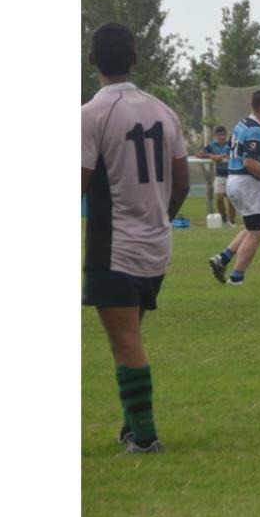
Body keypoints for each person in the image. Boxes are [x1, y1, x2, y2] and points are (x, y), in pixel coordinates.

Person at [82, 23, 189, 454]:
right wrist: (162, 218)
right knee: (128, 334)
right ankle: (131, 426)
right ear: (135, 59)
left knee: (124, 338)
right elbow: (181, 181)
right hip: (156, 243)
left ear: (91, 62)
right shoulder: (164, 112)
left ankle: (145, 438)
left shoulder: (90, 114)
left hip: (116, 245)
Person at [208, 90, 260, 284]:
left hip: (234, 180)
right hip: (247, 183)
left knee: (259, 226)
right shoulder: (255, 130)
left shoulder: (241, 125)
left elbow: (229, 151)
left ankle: (223, 258)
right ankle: (236, 278)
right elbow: (249, 162)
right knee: (256, 231)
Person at [197, 125, 235, 226]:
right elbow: (199, 154)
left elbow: (237, 154)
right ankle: (224, 219)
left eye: (223, 134)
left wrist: (225, 156)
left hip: (232, 174)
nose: (221, 137)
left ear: (226, 135)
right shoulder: (212, 145)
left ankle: (232, 222)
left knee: (231, 200)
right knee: (219, 198)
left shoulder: (230, 145)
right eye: (219, 135)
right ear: (215, 136)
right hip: (220, 175)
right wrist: (211, 156)